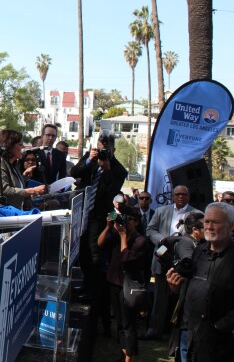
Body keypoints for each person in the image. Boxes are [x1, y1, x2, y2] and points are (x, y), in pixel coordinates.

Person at [167, 202, 234, 362]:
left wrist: (217, 327)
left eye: (215, 222)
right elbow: (192, 290)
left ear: (230, 226)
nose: (209, 226)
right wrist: (176, 288)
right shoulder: (200, 251)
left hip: (220, 345)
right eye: (206, 222)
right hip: (189, 335)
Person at [72, 132, 127, 358]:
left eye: (106, 148)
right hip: (82, 211)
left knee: (95, 252)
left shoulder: (117, 168)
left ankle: (92, 288)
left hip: (98, 215)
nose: (102, 151)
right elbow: (74, 173)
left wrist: (107, 166)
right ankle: (86, 282)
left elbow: (114, 186)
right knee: (82, 252)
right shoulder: (90, 158)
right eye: (99, 147)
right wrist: (89, 160)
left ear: (112, 149)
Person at [143, 185, 202, 340]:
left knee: (182, 297)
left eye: (184, 194)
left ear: (189, 196)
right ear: (173, 196)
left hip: (185, 261)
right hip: (163, 259)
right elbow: (150, 230)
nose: (181, 197)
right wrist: (162, 240)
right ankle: (155, 329)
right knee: (159, 297)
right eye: (177, 194)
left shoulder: (197, 214)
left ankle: (177, 332)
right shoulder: (161, 211)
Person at [98, 205, 150, 362]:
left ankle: (130, 357)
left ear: (136, 222)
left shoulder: (141, 241)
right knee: (119, 323)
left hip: (128, 287)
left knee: (128, 324)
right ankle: (124, 353)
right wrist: (108, 227)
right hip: (114, 282)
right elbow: (100, 244)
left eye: (129, 220)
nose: (126, 222)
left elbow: (126, 259)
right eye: (124, 218)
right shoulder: (116, 233)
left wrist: (122, 237)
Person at [0, 129, 47, 210]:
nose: (23, 147)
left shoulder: (14, 165)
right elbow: (3, 191)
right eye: (20, 144)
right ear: (10, 146)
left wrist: (23, 178)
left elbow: (13, 186)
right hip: (0, 216)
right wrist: (33, 190)